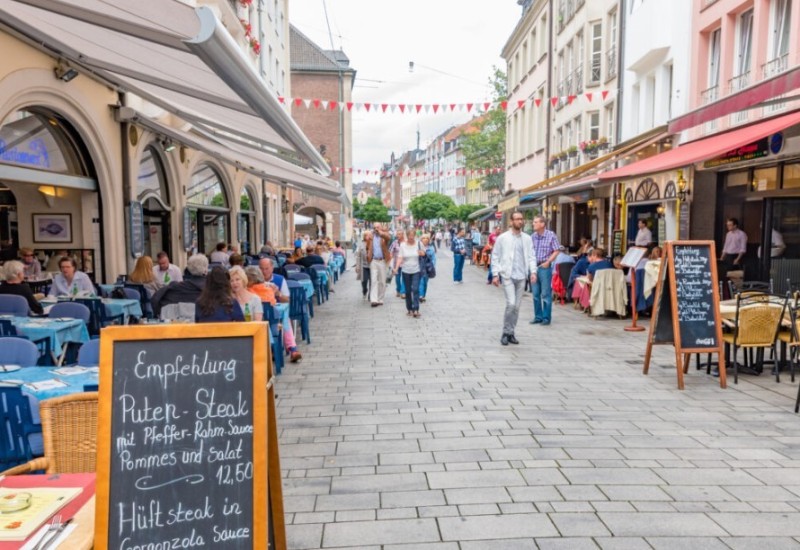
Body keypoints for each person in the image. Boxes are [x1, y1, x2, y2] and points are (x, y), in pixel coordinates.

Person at [491, 211, 538, 346]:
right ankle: (505, 332)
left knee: (516, 307)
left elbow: (531, 256)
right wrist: (495, 274)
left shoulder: (527, 238)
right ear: (511, 222)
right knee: (511, 304)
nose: (520, 221)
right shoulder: (503, 238)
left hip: (521, 276)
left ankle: (511, 332)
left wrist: (533, 272)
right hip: (508, 275)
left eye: (521, 219)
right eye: (517, 219)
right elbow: (495, 256)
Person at [530, 215, 561, 326]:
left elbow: (557, 250)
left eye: (535, 222)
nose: (533, 224)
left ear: (542, 224)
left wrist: (548, 262)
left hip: (545, 267)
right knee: (535, 294)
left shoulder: (551, 235)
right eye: (534, 222)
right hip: (534, 267)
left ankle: (546, 318)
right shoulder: (533, 236)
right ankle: (538, 316)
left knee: (546, 294)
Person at [393, 228, 425, 318]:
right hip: (406, 270)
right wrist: (396, 268)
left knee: (415, 289)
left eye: (412, 236)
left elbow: (424, 253)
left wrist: (422, 253)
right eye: (409, 236)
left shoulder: (419, 243)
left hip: (416, 270)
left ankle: (416, 309)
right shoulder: (403, 245)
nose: (411, 237)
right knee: (407, 291)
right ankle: (409, 309)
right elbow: (400, 257)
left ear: (415, 235)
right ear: (407, 236)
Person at [367, 222, 391, 307]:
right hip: (373, 260)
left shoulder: (384, 236)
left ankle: (380, 299)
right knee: (373, 280)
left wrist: (380, 233)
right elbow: (367, 247)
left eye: (377, 227)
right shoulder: (371, 236)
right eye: (374, 227)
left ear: (380, 228)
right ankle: (374, 300)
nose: (376, 229)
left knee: (382, 281)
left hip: (382, 261)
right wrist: (368, 255)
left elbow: (388, 237)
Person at [418, 234, 436, 303]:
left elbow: (433, 259)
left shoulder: (431, 248)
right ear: (421, 240)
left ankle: (423, 295)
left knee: (425, 282)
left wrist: (433, 267)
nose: (425, 239)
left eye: (427, 238)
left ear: (429, 240)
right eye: (423, 238)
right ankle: (421, 295)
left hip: (427, 268)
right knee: (421, 281)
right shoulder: (418, 248)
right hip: (419, 267)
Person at [355, 230, 372, 301]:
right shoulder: (361, 244)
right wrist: (357, 266)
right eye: (366, 235)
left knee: (372, 281)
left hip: (372, 265)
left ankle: (370, 295)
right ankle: (364, 290)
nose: (367, 236)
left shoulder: (373, 243)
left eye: (368, 235)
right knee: (364, 280)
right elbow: (358, 256)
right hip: (364, 266)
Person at [390, 232, 406, 298]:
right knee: (397, 278)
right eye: (397, 234)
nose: (398, 235)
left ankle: (403, 292)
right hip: (396, 263)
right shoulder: (394, 242)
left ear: (403, 235)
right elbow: (391, 252)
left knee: (404, 278)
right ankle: (398, 290)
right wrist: (390, 261)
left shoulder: (406, 242)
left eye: (399, 234)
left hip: (405, 263)